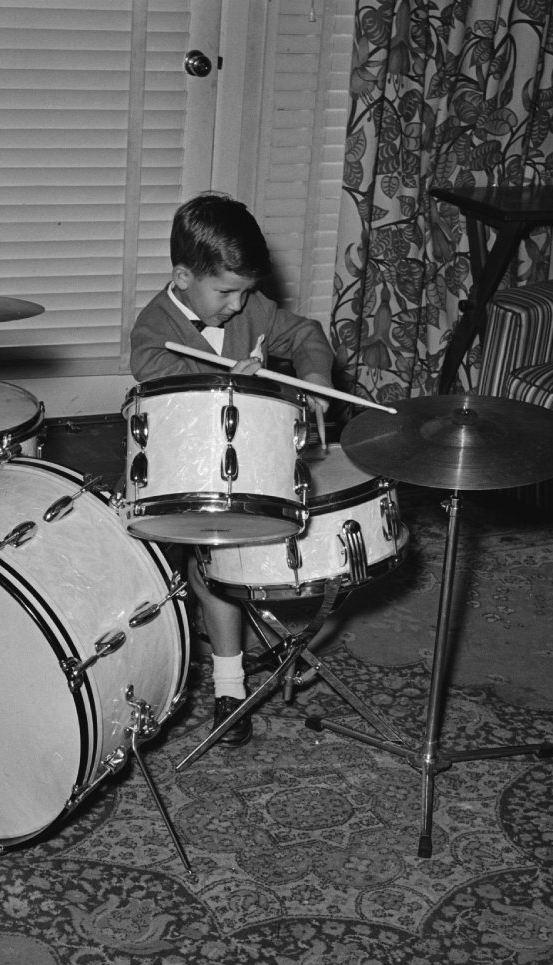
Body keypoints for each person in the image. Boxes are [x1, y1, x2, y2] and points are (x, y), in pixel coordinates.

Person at [129, 192, 335, 747]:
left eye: (247, 291)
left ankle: (259, 637)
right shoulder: (153, 332)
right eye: (226, 292)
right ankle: (229, 683)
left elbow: (307, 333)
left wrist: (313, 379)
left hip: (247, 465)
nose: (240, 307)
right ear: (181, 276)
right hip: (184, 472)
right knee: (215, 557)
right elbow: (170, 385)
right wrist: (234, 384)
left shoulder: (251, 306)